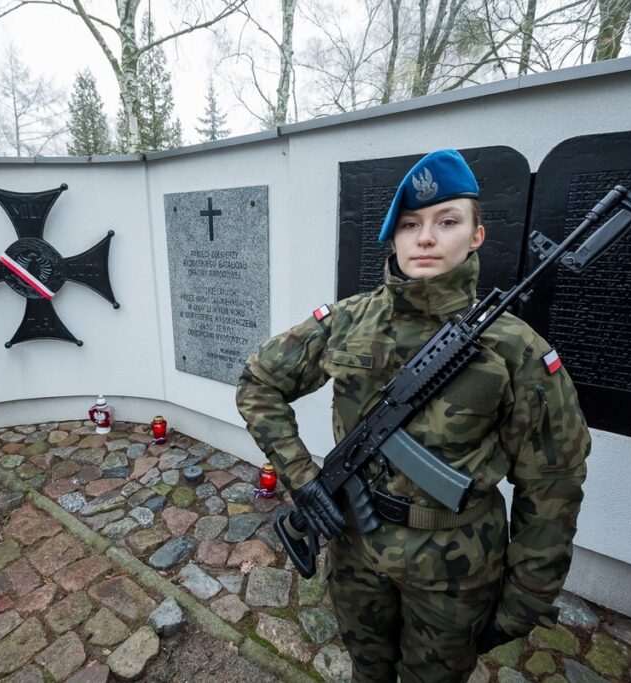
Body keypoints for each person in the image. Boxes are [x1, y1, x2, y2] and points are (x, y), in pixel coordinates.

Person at [236, 149, 590, 682]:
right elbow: (259, 381)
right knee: (368, 671)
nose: (425, 238)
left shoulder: (516, 349)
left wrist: (526, 598)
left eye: (446, 222)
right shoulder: (347, 321)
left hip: (456, 567)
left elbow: (554, 482)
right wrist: (304, 479)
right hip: (355, 547)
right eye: (410, 224)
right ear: (394, 237)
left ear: (476, 236)